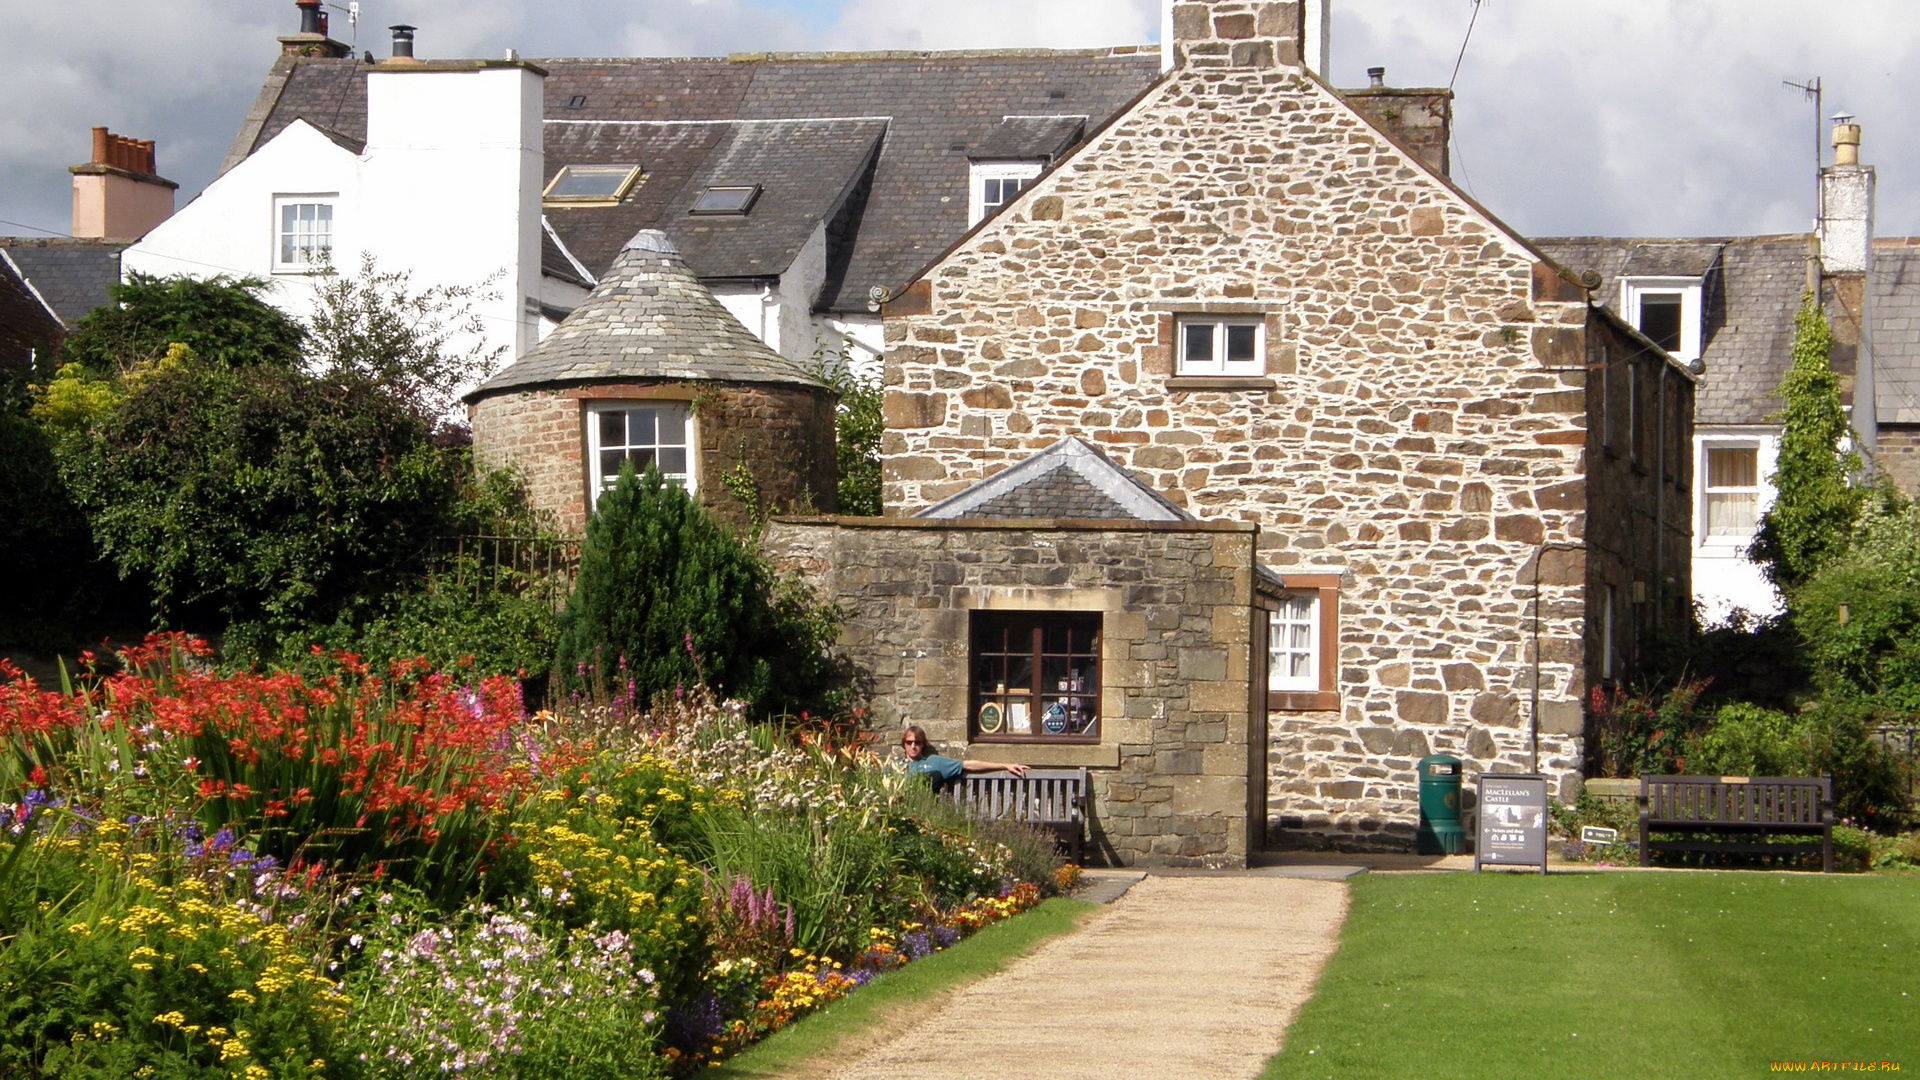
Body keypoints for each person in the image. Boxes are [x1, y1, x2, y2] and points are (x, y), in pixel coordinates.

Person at [898, 724, 1028, 792]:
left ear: (923, 745)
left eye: (917, 742)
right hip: (901, 806)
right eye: (909, 742)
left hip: (923, 806)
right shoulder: (896, 766)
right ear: (904, 745)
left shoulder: (933, 761)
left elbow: (969, 764)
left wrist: (1005, 765)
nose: (913, 746)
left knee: (935, 775)